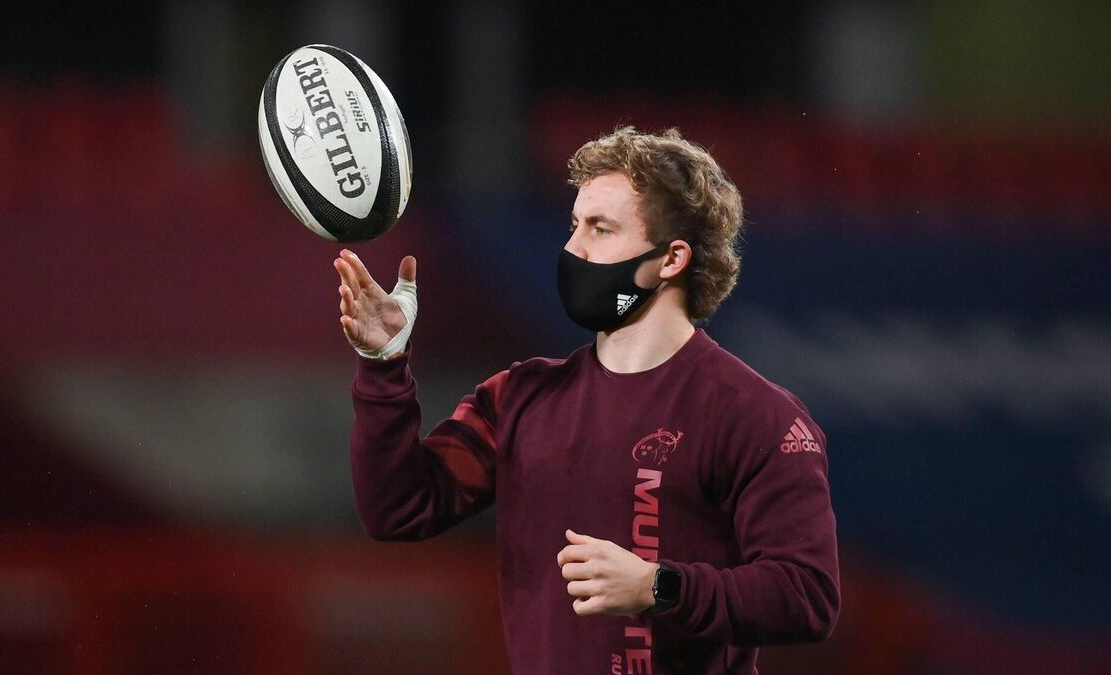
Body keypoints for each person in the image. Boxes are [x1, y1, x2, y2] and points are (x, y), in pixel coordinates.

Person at [335, 127, 839, 674]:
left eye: (600, 228)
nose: (573, 248)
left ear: (671, 259)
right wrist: (384, 363)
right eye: (574, 225)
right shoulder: (520, 397)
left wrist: (658, 586)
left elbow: (807, 596)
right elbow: (398, 509)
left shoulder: (753, 414)